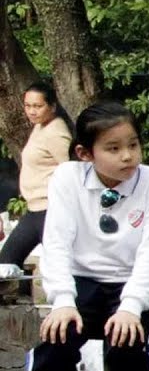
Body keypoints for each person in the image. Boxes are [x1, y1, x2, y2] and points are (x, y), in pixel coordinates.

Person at [12, 101, 149, 371]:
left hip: (138, 284)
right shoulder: (68, 178)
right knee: (54, 342)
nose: (127, 156)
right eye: (113, 149)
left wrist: (131, 307)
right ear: (86, 153)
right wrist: (63, 302)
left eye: (133, 145)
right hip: (82, 282)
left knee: (126, 343)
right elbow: (56, 243)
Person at [0, 82, 73, 268]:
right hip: (34, 210)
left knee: (59, 269)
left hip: (50, 210)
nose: (32, 111)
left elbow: (71, 171)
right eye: (28, 106)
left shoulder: (56, 132)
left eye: (38, 106)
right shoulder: (41, 127)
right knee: (5, 262)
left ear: (52, 106)